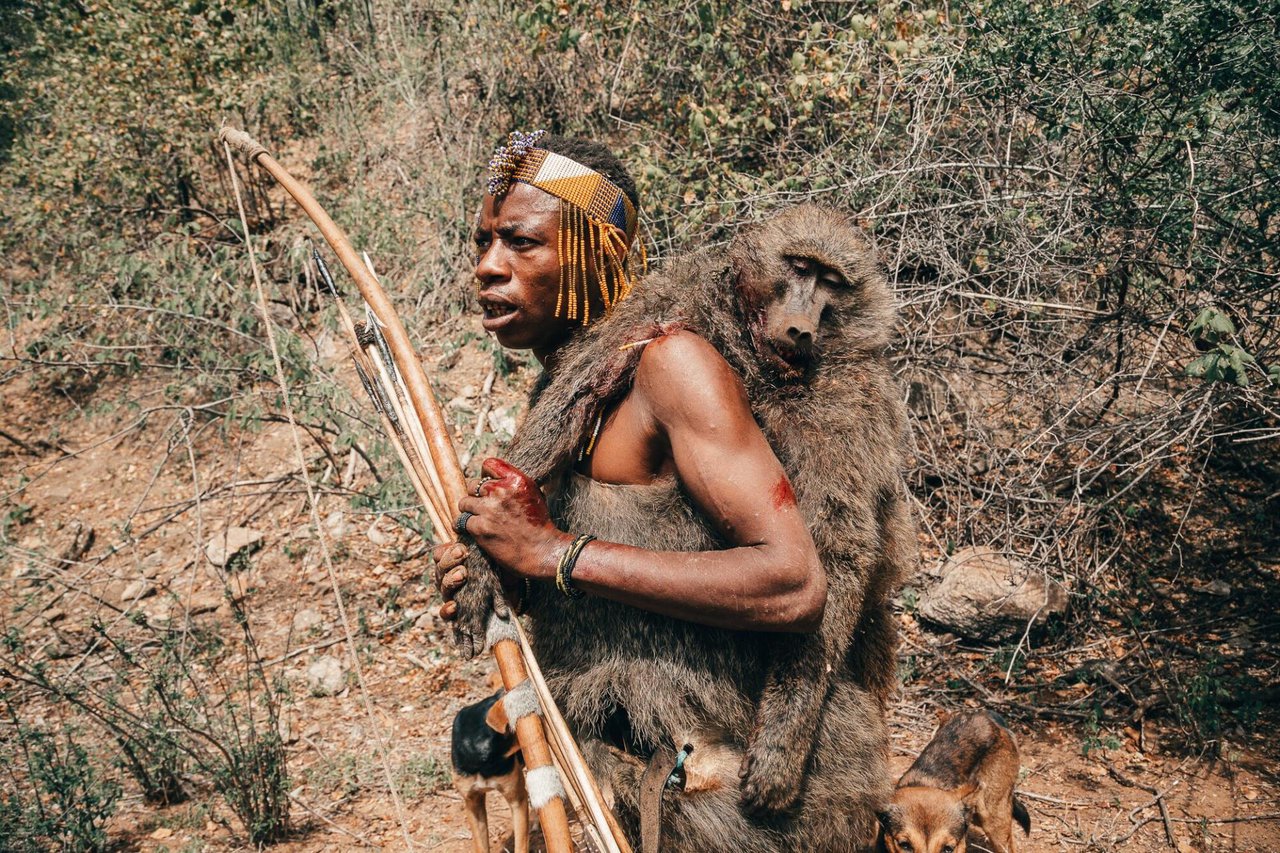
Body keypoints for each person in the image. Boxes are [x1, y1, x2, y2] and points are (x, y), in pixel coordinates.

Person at [434, 131, 885, 851]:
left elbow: (795, 582)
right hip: (630, 798)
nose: (488, 267)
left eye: (520, 242)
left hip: (738, 814)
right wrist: (510, 571)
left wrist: (555, 552)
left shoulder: (671, 365)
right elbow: (628, 575)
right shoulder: (573, 380)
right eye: (484, 240)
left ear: (603, 251)